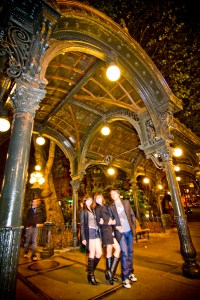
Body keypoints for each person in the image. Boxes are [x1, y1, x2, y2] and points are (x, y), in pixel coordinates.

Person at [109, 189, 137, 289]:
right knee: (124, 253)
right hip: (120, 234)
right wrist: (116, 227)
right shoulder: (111, 207)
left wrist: (133, 227)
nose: (112, 195)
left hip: (129, 232)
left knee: (130, 252)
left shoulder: (126, 203)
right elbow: (111, 220)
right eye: (111, 194)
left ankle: (130, 273)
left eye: (114, 193)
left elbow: (132, 215)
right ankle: (125, 278)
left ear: (118, 194)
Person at [94, 193, 121, 285]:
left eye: (99, 197)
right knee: (112, 250)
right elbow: (98, 221)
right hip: (105, 231)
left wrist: (112, 223)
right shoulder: (97, 209)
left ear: (102, 198)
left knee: (116, 249)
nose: (98, 199)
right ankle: (110, 274)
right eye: (96, 198)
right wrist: (108, 222)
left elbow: (112, 216)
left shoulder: (106, 206)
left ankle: (109, 273)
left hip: (110, 230)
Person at [80, 195, 102, 285]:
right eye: (87, 200)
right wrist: (83, 238)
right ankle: (91, 276)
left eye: (90, 200)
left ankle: (90, 270)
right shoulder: (83, 211)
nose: (89, 202)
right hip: (89, 232)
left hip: (96, 232)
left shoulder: (93, 210)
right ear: (85, 201)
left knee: (99, 253)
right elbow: (82, 225)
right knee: (92, 253)